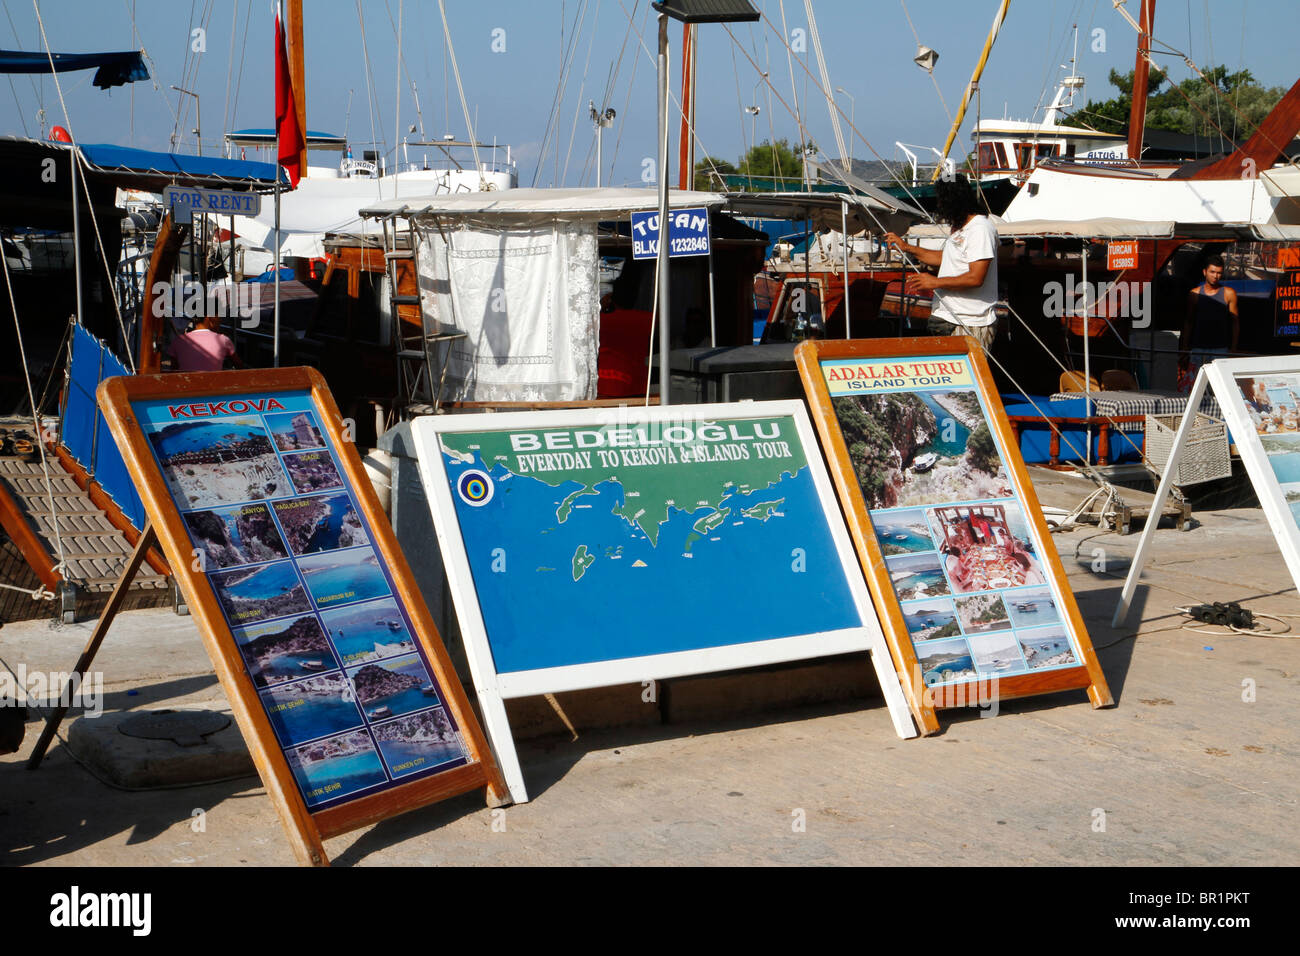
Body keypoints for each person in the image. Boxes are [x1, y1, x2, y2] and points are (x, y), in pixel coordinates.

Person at [885, 174, 999, 352]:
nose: (940, 207)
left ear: (955, 202)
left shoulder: (980, 229)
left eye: (943, 202)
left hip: (969, 322)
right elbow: (945, 259)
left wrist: (934, 282)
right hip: (945, 317)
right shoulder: (960, 227)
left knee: (969, 378)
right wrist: (906, 247)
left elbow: (976, 278)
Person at [1179, 254, 1238, 382]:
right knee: (1195, 386)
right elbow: (1188, 322)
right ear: (1205, 272)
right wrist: (1184, 348)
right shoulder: (1194, 294)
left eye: (1219, 273)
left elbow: (1235, 322)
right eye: (1212, 272)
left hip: (1220, 349)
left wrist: (1233, 349)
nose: (1215, 276)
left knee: (1220, 385)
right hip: (1198, 348)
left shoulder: (1229, 293)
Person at [166, 314, 246, 372]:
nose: (220, 320)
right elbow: (239, 366)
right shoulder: (223, 340)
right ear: (209, 318)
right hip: (213, 390)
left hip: (185, 390)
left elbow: (174, 370)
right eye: (218, 316)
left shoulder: (178, 341)